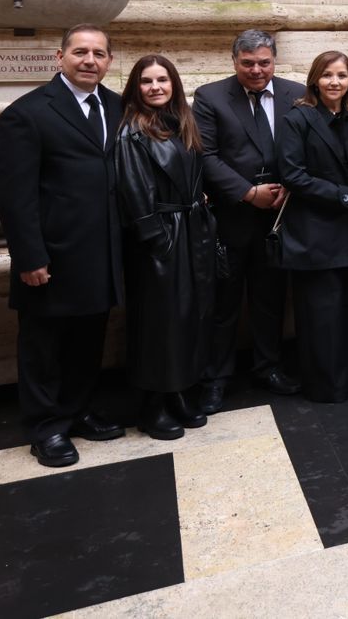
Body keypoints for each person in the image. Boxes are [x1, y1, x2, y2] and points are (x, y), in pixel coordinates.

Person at [0, 25, 126, 467]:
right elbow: (15, 194)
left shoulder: (117, 106)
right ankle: (45, 427)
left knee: (88, 341)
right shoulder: (28, 113)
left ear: (109, 61)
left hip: (101, 253)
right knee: (43, 346)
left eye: (99, 54)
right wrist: (29, 256)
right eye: (81, 52)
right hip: (51, 256)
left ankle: (77, 410)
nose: (90, 61)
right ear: (59, 56)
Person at [192, 29, 306, 411]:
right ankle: (216, 378)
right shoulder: (210, 97)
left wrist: (293, 186)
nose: (257, 71)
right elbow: (205, 156)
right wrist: (246, 192)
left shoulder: (296, 93)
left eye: (264, 62)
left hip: (279, 218)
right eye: (248, 63)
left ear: (275, 60)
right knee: (223, 304)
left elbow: (308, 146)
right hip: (232, 218)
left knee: (270, 299)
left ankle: (268, 367)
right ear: (234, 61)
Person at [115, 54, 216, 440]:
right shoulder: (132, 131)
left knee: (186, 319)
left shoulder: (182, 124)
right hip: (161, 240)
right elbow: (134, 191)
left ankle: (177, 392)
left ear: (174, 83)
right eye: (146, 81)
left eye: (162, 79)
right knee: (157, 325)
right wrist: (157, 240)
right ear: (136, 88)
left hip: (190, 231)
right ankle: (152, 405)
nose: (156, 87)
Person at [277, 51, 348, 403]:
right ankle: (322, 386)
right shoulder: (297, 119)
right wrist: (341, 196)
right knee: (320, 315)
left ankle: (344, 381)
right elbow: (292, 174)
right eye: (328, 75)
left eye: (342, 76)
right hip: (314, 232)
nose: (335, 82)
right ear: (315, 79)